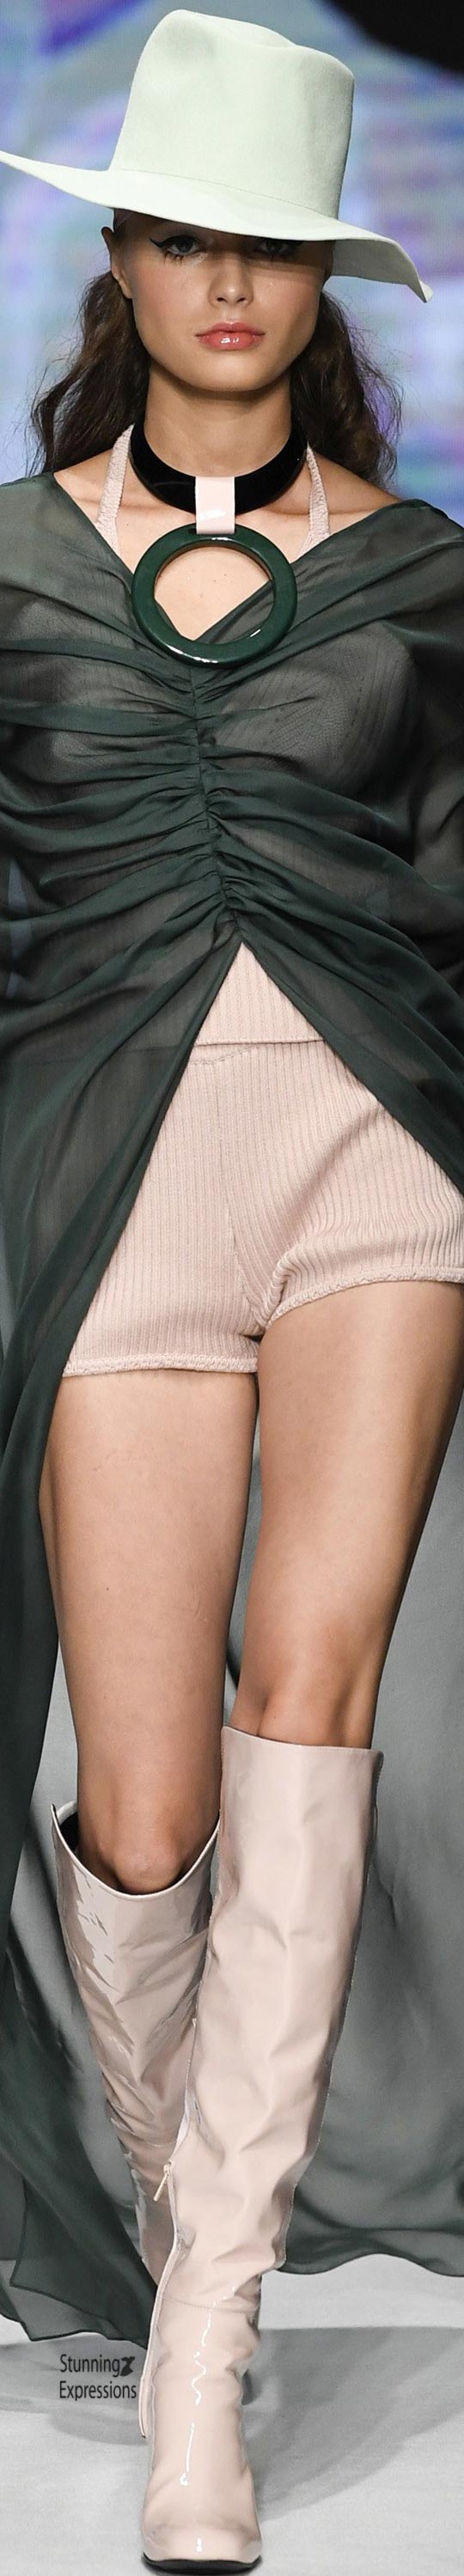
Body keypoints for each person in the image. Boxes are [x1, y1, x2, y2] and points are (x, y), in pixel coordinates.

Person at [1, 10, 464, 2568]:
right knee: (148, 1802)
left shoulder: (425, 579)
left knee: (318, 1695)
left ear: (322, 281)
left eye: (271, 246)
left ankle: (207, 2354)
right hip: (115, 1185)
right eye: (185, 237)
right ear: (123, 261)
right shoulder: (6, 567)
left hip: (376, 1174)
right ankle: (177, 2204)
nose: (226, 285)